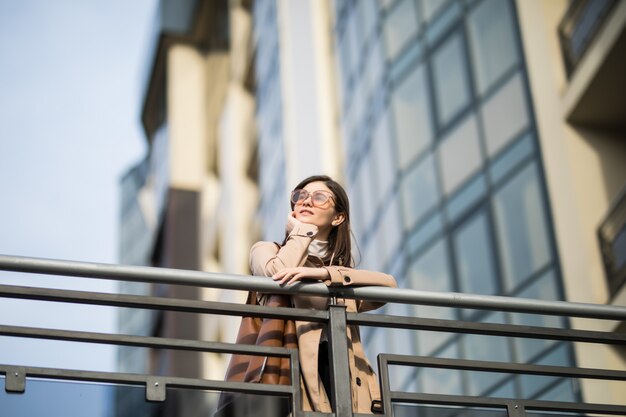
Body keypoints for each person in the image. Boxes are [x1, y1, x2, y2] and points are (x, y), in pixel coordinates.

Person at [249, 175, 397, 414]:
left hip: (346, 377)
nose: (306, 202)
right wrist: (302, 232)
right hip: (291, 371)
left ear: (338, 217)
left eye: (319, 197)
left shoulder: (341, 277)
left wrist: (323, 275)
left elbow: (388, 286)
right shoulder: (266, 250)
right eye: (300, 196)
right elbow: (275, 274)